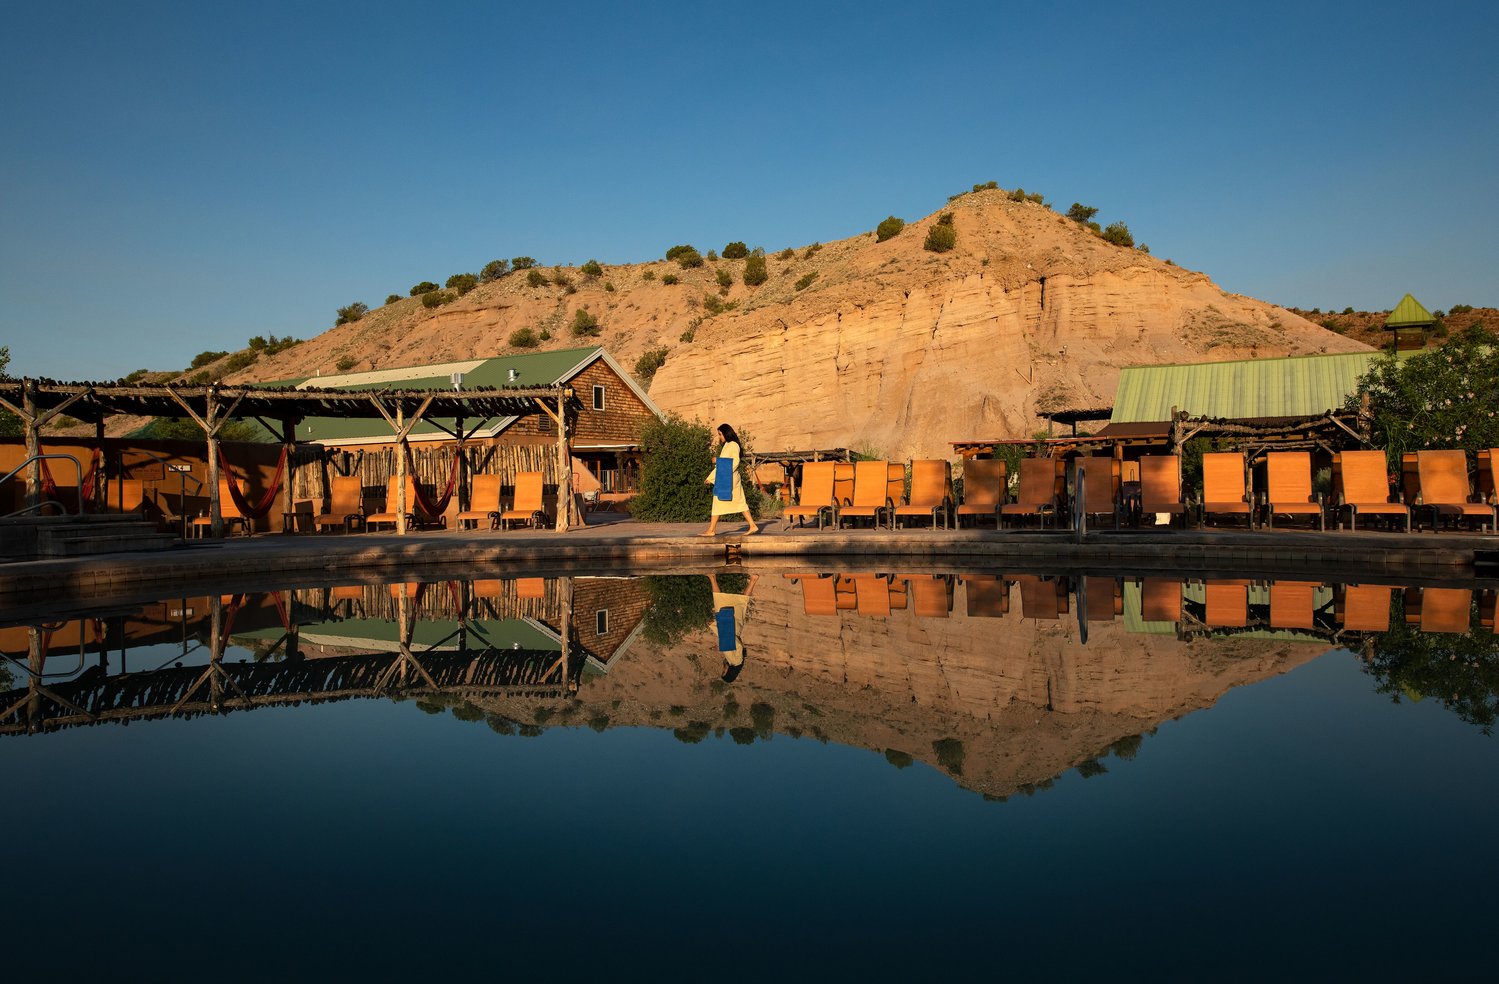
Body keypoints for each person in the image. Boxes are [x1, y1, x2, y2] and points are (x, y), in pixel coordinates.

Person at [701, 423, 760, 536]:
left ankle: (712, 530)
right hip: (727, 478)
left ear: (726, 433)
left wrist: (717, 461)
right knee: (738, 502)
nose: (719, 437)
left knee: (721, 501)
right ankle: (752, 525)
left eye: (720, 434)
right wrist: (711, 478)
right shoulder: (728, 445)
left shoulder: (733, 445)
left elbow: (734, 462)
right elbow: (723, 465)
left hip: (729, 479)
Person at [709, 572, 758, 682]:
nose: (723, 670)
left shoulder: (735, 661)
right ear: (728, 673)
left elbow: (731, 642)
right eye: (723, 672)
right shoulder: (734, 661)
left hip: (734, 628)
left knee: (742, 603)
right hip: (729, 626)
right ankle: (712, 577)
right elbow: (729, 640)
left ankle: (754, 579)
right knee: (719, 602)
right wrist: (714, 627)